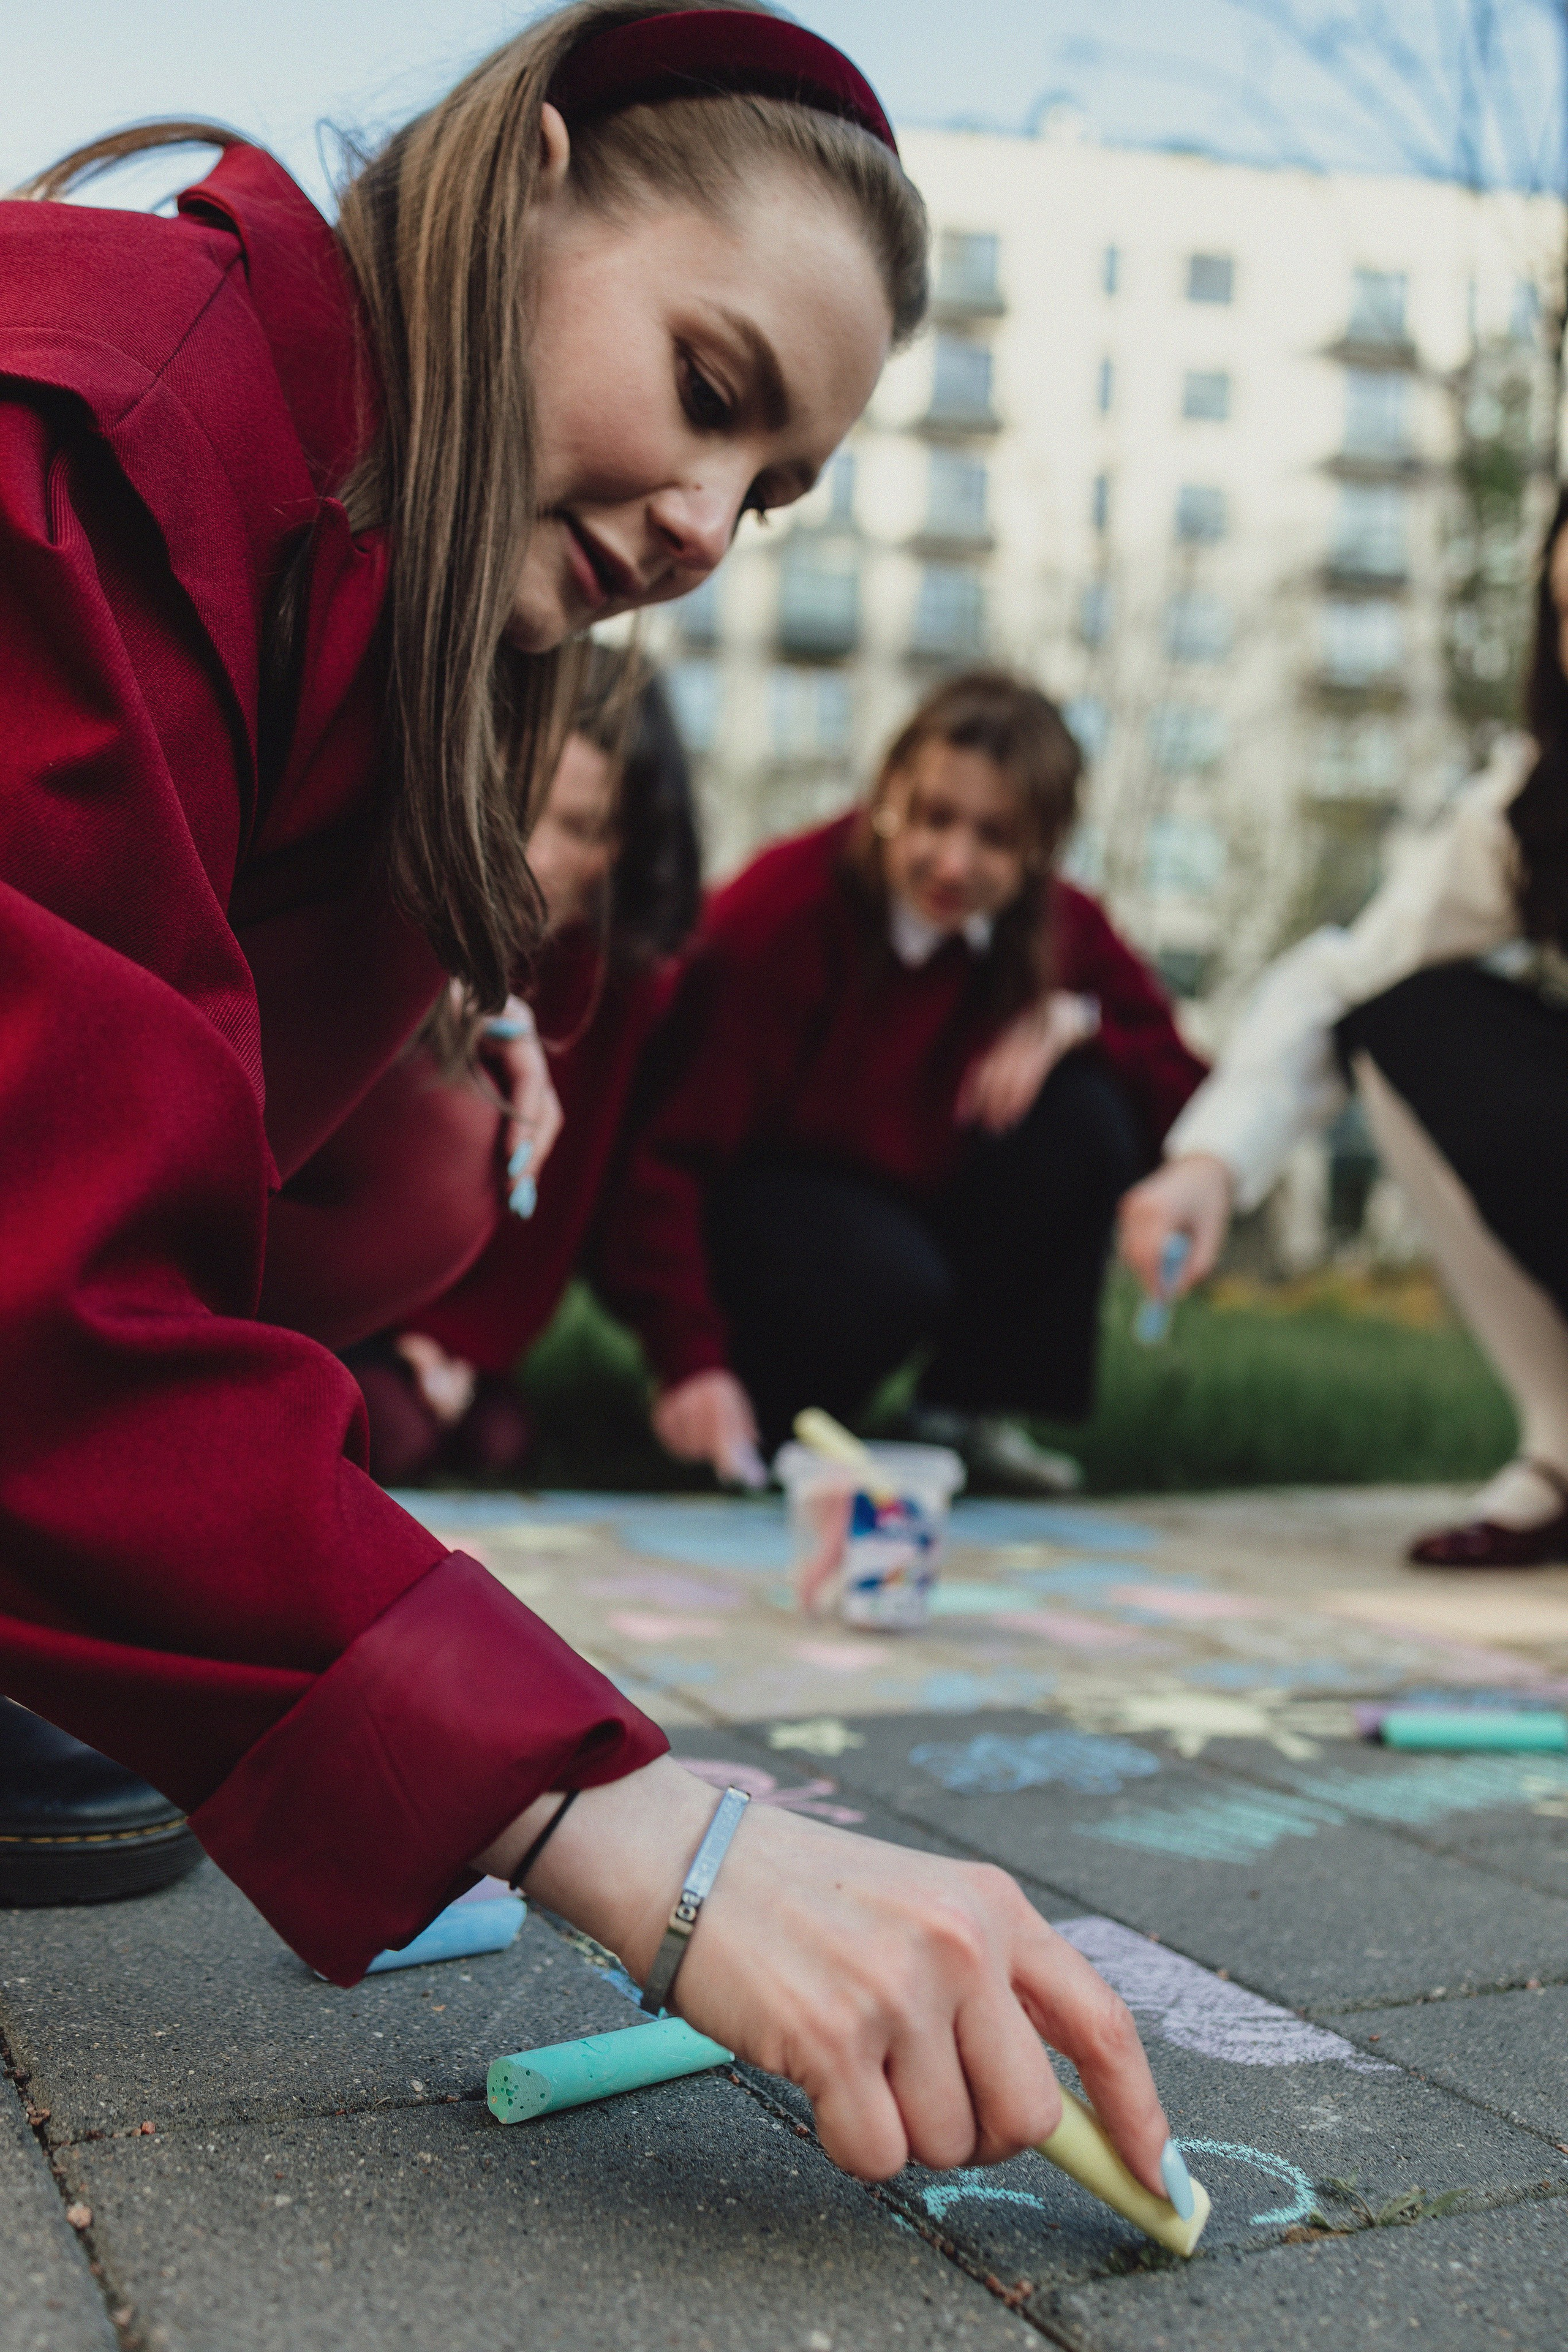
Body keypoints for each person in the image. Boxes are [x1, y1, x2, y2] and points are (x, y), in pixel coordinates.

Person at [0, 5, 1185, 2204]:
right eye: (713, 393)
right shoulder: (105, 412)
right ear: (533, 181)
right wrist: (628, 1826)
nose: (715, 522)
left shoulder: (352, 562)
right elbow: (41, 1278)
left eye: (782, 482)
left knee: (428, 1140)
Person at [597, 669, 1207, 1490]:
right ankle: (767, 1414)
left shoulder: (1061, 927)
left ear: (1042, 846)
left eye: (995, 837)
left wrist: (1084, 1027)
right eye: (933, 819)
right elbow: (661, 1160)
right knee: (881, 1276)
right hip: (768, 1216)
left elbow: (1191, 1100)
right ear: (889, 795)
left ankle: (964, 1413)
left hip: (919, 1204)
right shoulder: (784, 915)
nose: (953, 862)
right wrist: (688, 1360)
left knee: (1086, 1114)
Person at [1120, 490, 1568, 1571]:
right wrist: (1211, 1164)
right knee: (1408, 1011)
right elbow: (1343, 974)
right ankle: (1565, 1451)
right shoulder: (1532, 804)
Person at [348, 654, 703, 1483]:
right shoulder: (400, 913)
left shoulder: (622, 980)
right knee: (390, 1435)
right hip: (348, 1295)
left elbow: (564, 1196)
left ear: (628, 843)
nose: (534, 854)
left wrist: (462, 1342)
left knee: (499, 1444)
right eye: (518, 807)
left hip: (482, 1318)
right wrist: (403, 1331)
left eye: (578, 827)